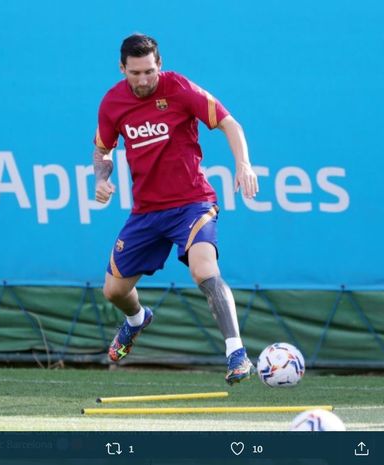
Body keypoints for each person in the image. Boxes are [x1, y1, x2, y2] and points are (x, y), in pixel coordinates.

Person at [92, 33, 259, 384]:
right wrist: (101, 177)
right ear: (122, 68)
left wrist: (243, 164)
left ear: (160, 65)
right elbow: (103, 149)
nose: (143, 80)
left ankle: (236, 353)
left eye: (149, 71)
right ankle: (137, 320)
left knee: (203, 270)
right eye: (135, 73)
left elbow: (230, 123)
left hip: (192, 203)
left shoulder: (179, 88)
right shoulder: (112, 103)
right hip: (147, 211)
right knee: (114, 291)